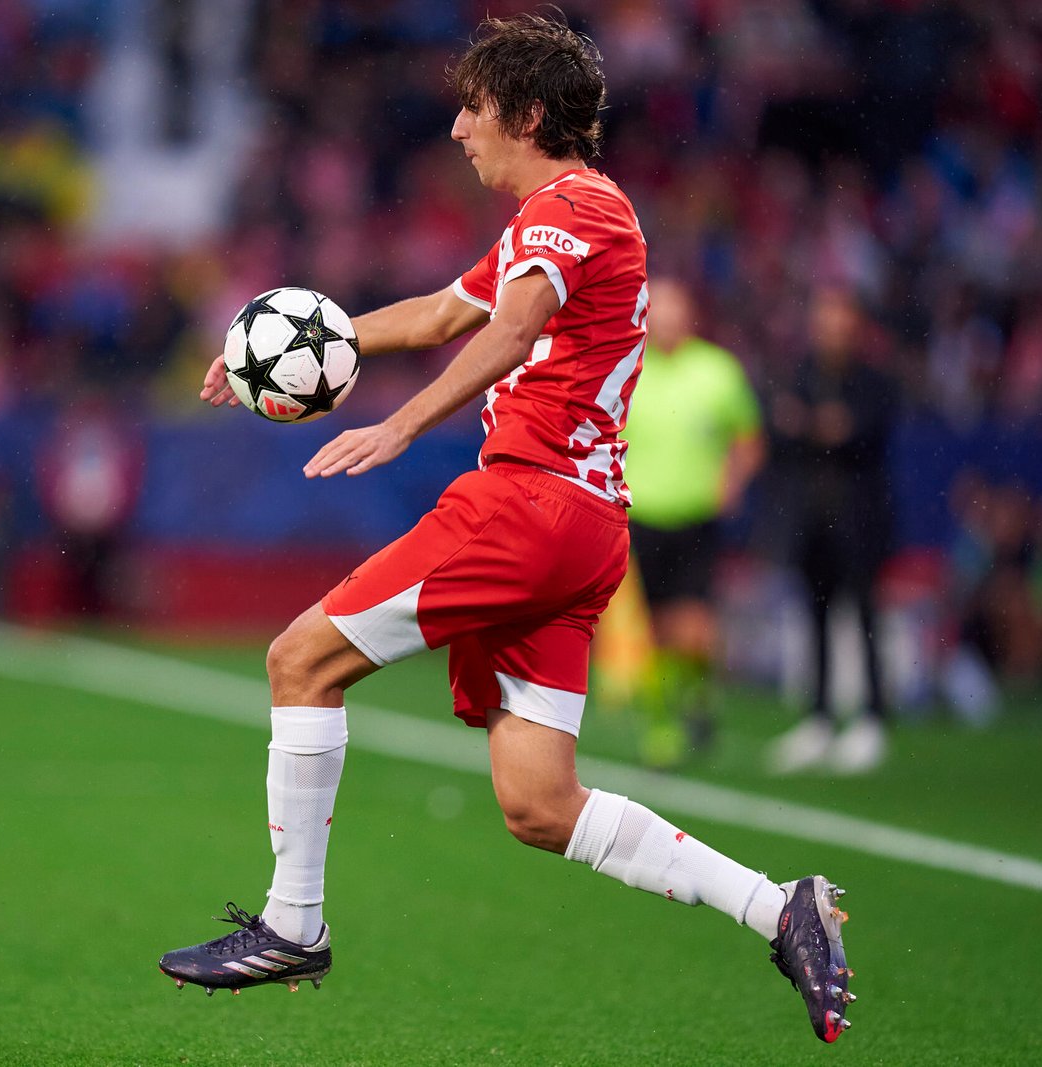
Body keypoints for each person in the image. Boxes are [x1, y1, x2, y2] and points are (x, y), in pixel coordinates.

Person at [159, 14, 855, 1045]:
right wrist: (284, 352)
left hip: (525, 506)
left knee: (298, 659)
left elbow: (510, 331)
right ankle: (778, 904)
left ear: (527, 115)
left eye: (472, 109)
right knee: (538, 801)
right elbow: (445, 314)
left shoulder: (570, 208)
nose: (454, 129)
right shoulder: (558, 219)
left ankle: (292, 922)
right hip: (580, 528)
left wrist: (396, 424)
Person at [620, 276, 765, 767]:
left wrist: (733, 481)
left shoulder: (717, 371)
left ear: (689, 315)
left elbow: (748, 438)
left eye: (674, 310)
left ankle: (698, 697)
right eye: (656, 310)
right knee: (656, 631)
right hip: (643, 519)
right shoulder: (629, 371)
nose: (665, 320)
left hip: (697, 519)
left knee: (696, 630)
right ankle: (662, 728)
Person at [765, 288, 896, 775]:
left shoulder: (874, 381)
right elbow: (781, 429)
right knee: (814, 616)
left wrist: (814, 428)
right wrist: (820, 428)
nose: (832, 331)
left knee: (864, 616)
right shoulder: (800, 373)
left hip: (858, 520)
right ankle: (819, 719)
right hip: (811, 518)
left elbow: (862, 433)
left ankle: (872, 719)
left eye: (841, 321)